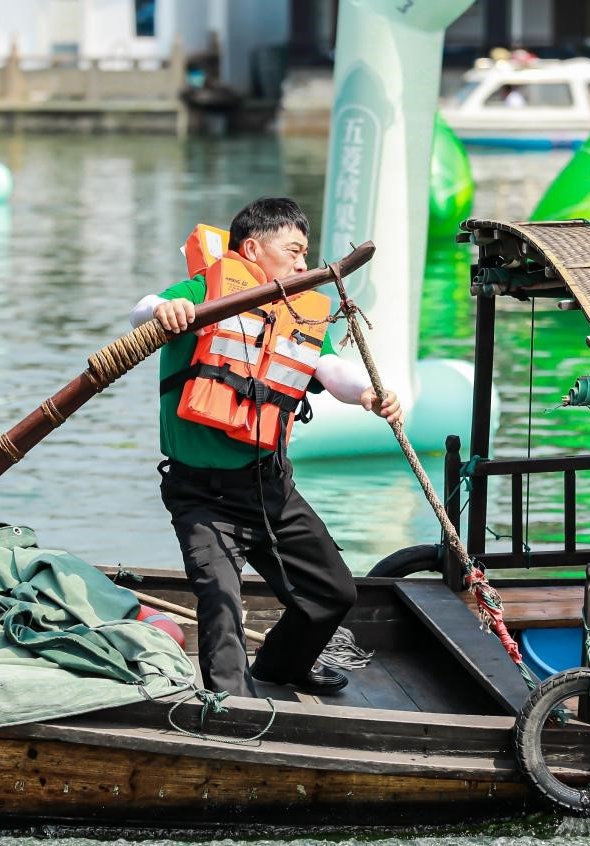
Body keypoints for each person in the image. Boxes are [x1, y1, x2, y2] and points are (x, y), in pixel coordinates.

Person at [128, 197, 401, 697]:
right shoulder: (204, 292)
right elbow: (141, 309)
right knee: (222, 602)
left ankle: (282, 665)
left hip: (269, 487)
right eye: (293, 251)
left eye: (306, 254)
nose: (303, 264)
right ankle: (234, 712)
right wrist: (166, 309)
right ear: (252, 248)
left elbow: (328, 370)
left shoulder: (296, 312)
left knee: (333, 593)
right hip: (201, 496)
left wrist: (367, 394)